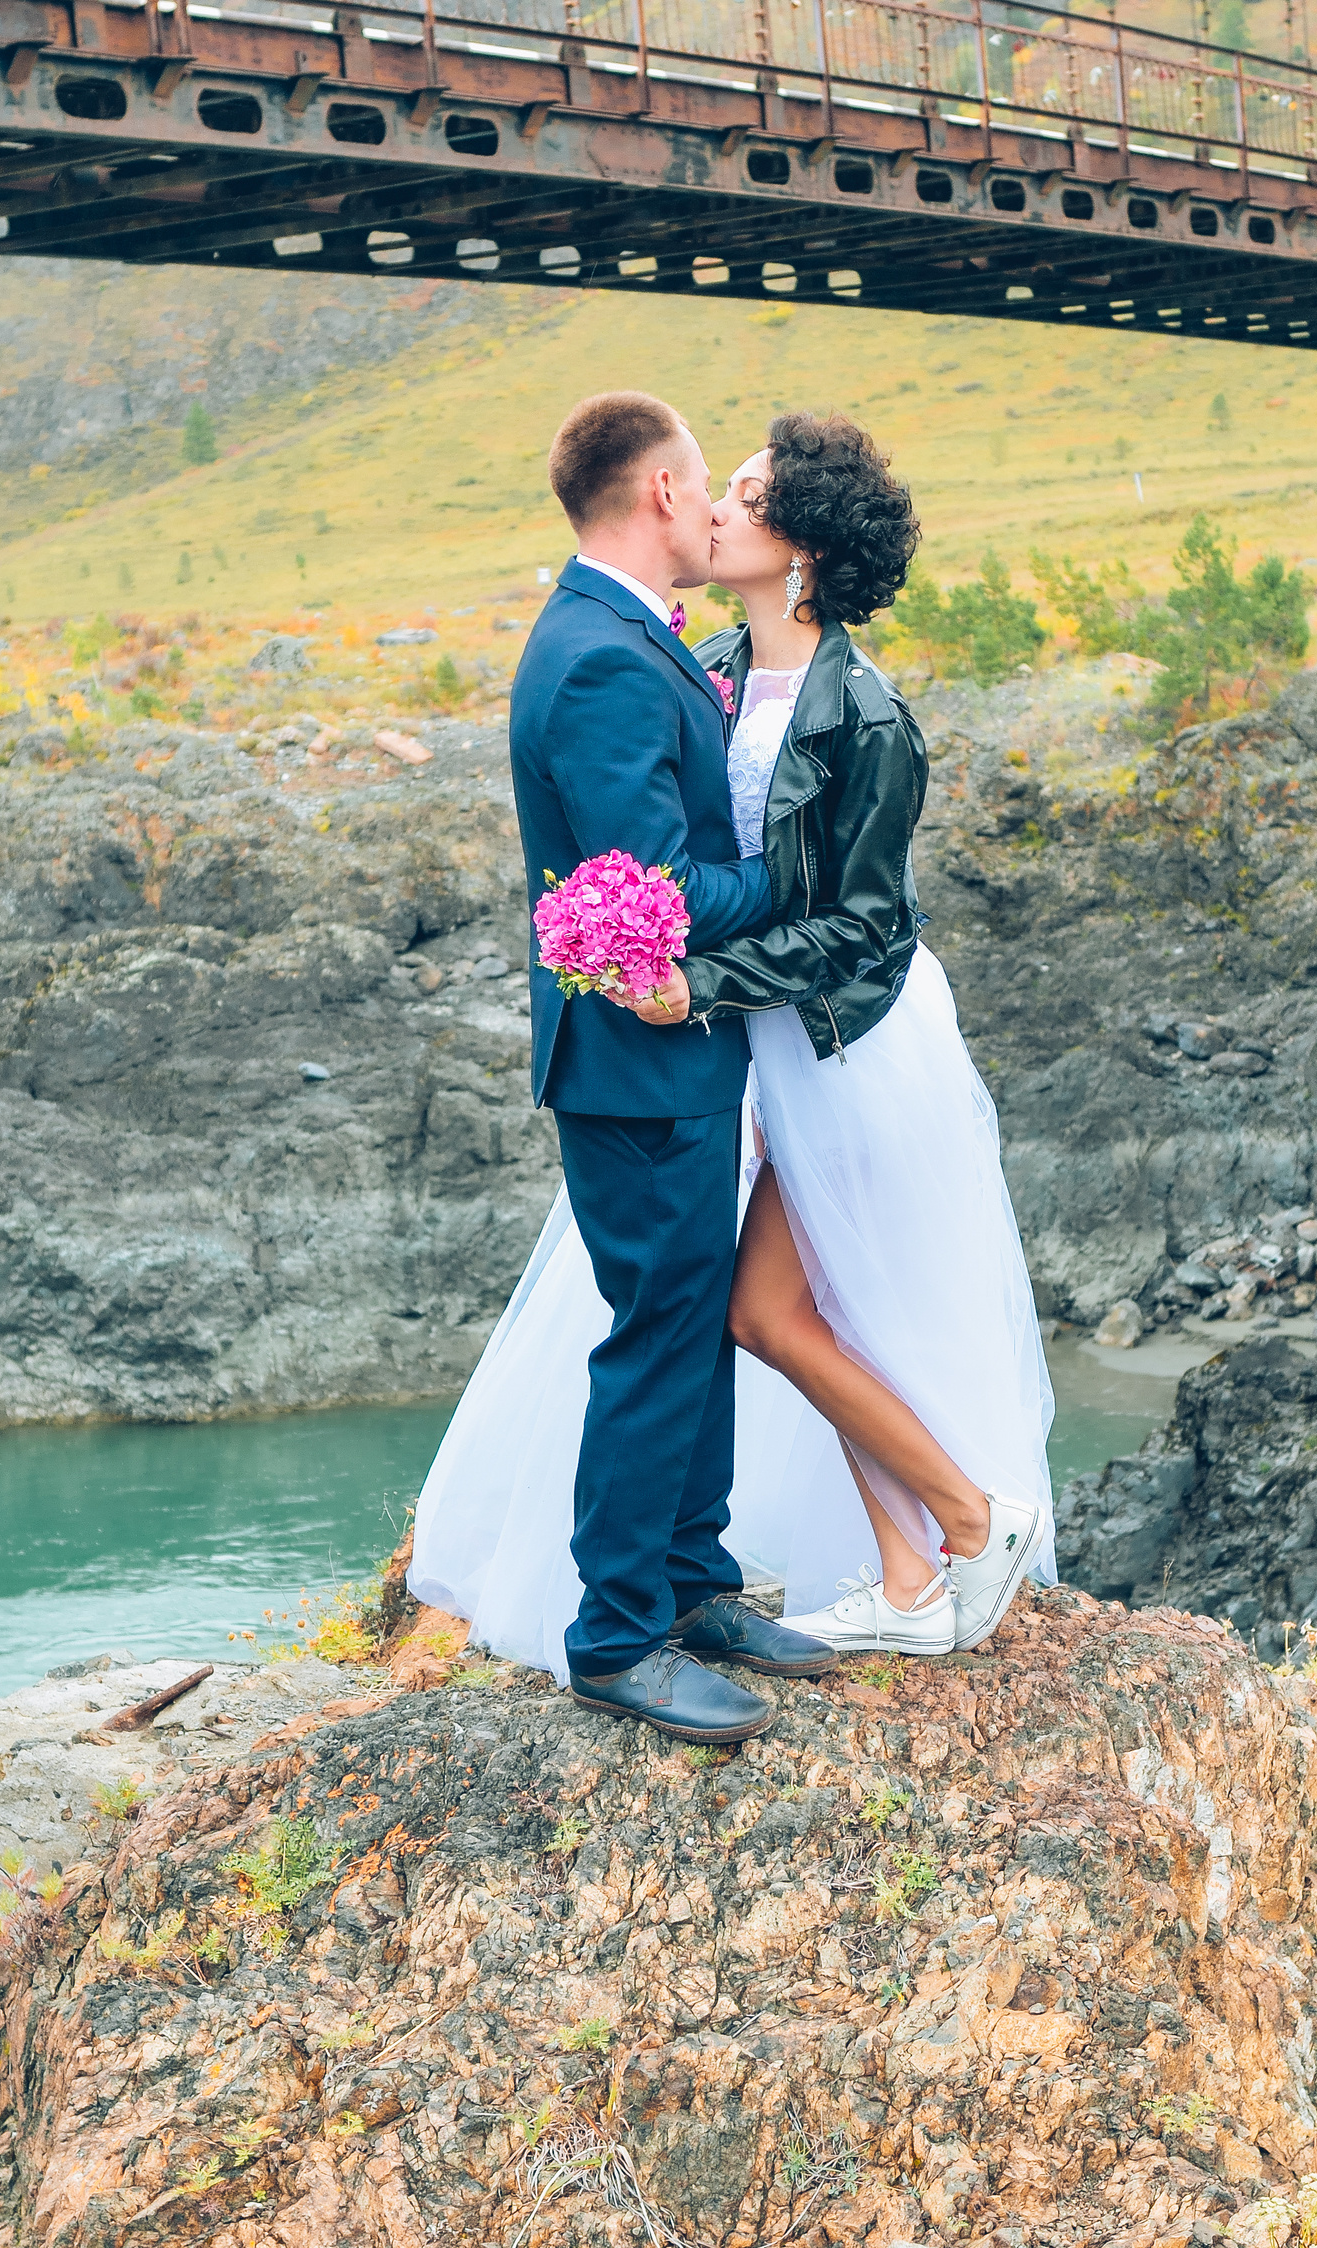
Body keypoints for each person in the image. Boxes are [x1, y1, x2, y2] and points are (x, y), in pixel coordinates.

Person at [413, 408, 1054, 1690]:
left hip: (836, 1035)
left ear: (800, 548)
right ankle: (753, 1596)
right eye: (715, 484)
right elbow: (648, 856)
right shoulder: (682, 656)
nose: (716, 508)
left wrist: (711, 961)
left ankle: (923, 1546)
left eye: (747, 496)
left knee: (788, 1305)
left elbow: (866, 920)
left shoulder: (859, 712)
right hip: (727, 1039)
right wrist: (719, 943)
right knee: (729, 1314)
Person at [462, 389, 840, 1751]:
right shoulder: (607, 657)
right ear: (660, 496)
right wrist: (799, 883)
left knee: (689, 1320)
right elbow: (658, 890)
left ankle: (695, 1580)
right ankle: (618, 1635)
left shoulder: (624, 636)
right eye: (699, 485)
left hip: (672, 1050)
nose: (712, 509)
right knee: (656, 1335)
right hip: (637, 1057)